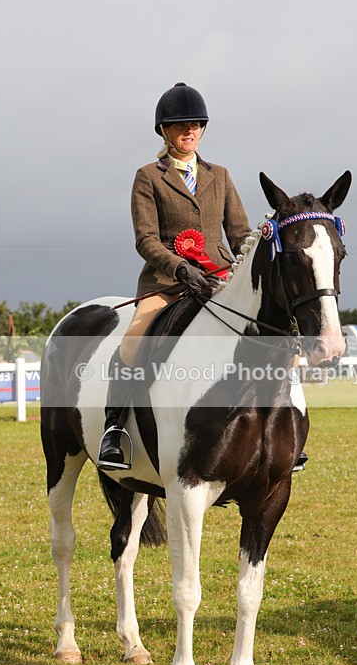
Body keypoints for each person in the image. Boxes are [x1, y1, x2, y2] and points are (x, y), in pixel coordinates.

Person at [97, 82, 252, 470]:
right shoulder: (148, 176)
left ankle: (276, 426)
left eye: (196, 124)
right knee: (133, 344)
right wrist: (179, 267)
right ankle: (114, 429)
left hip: (219, 278)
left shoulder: (220, 175)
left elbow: (239, 235)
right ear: (164, 130)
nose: (189, 130)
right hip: (166, 282)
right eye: (181, 125)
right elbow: (146, 239)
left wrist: (250, 262)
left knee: (263, 334)